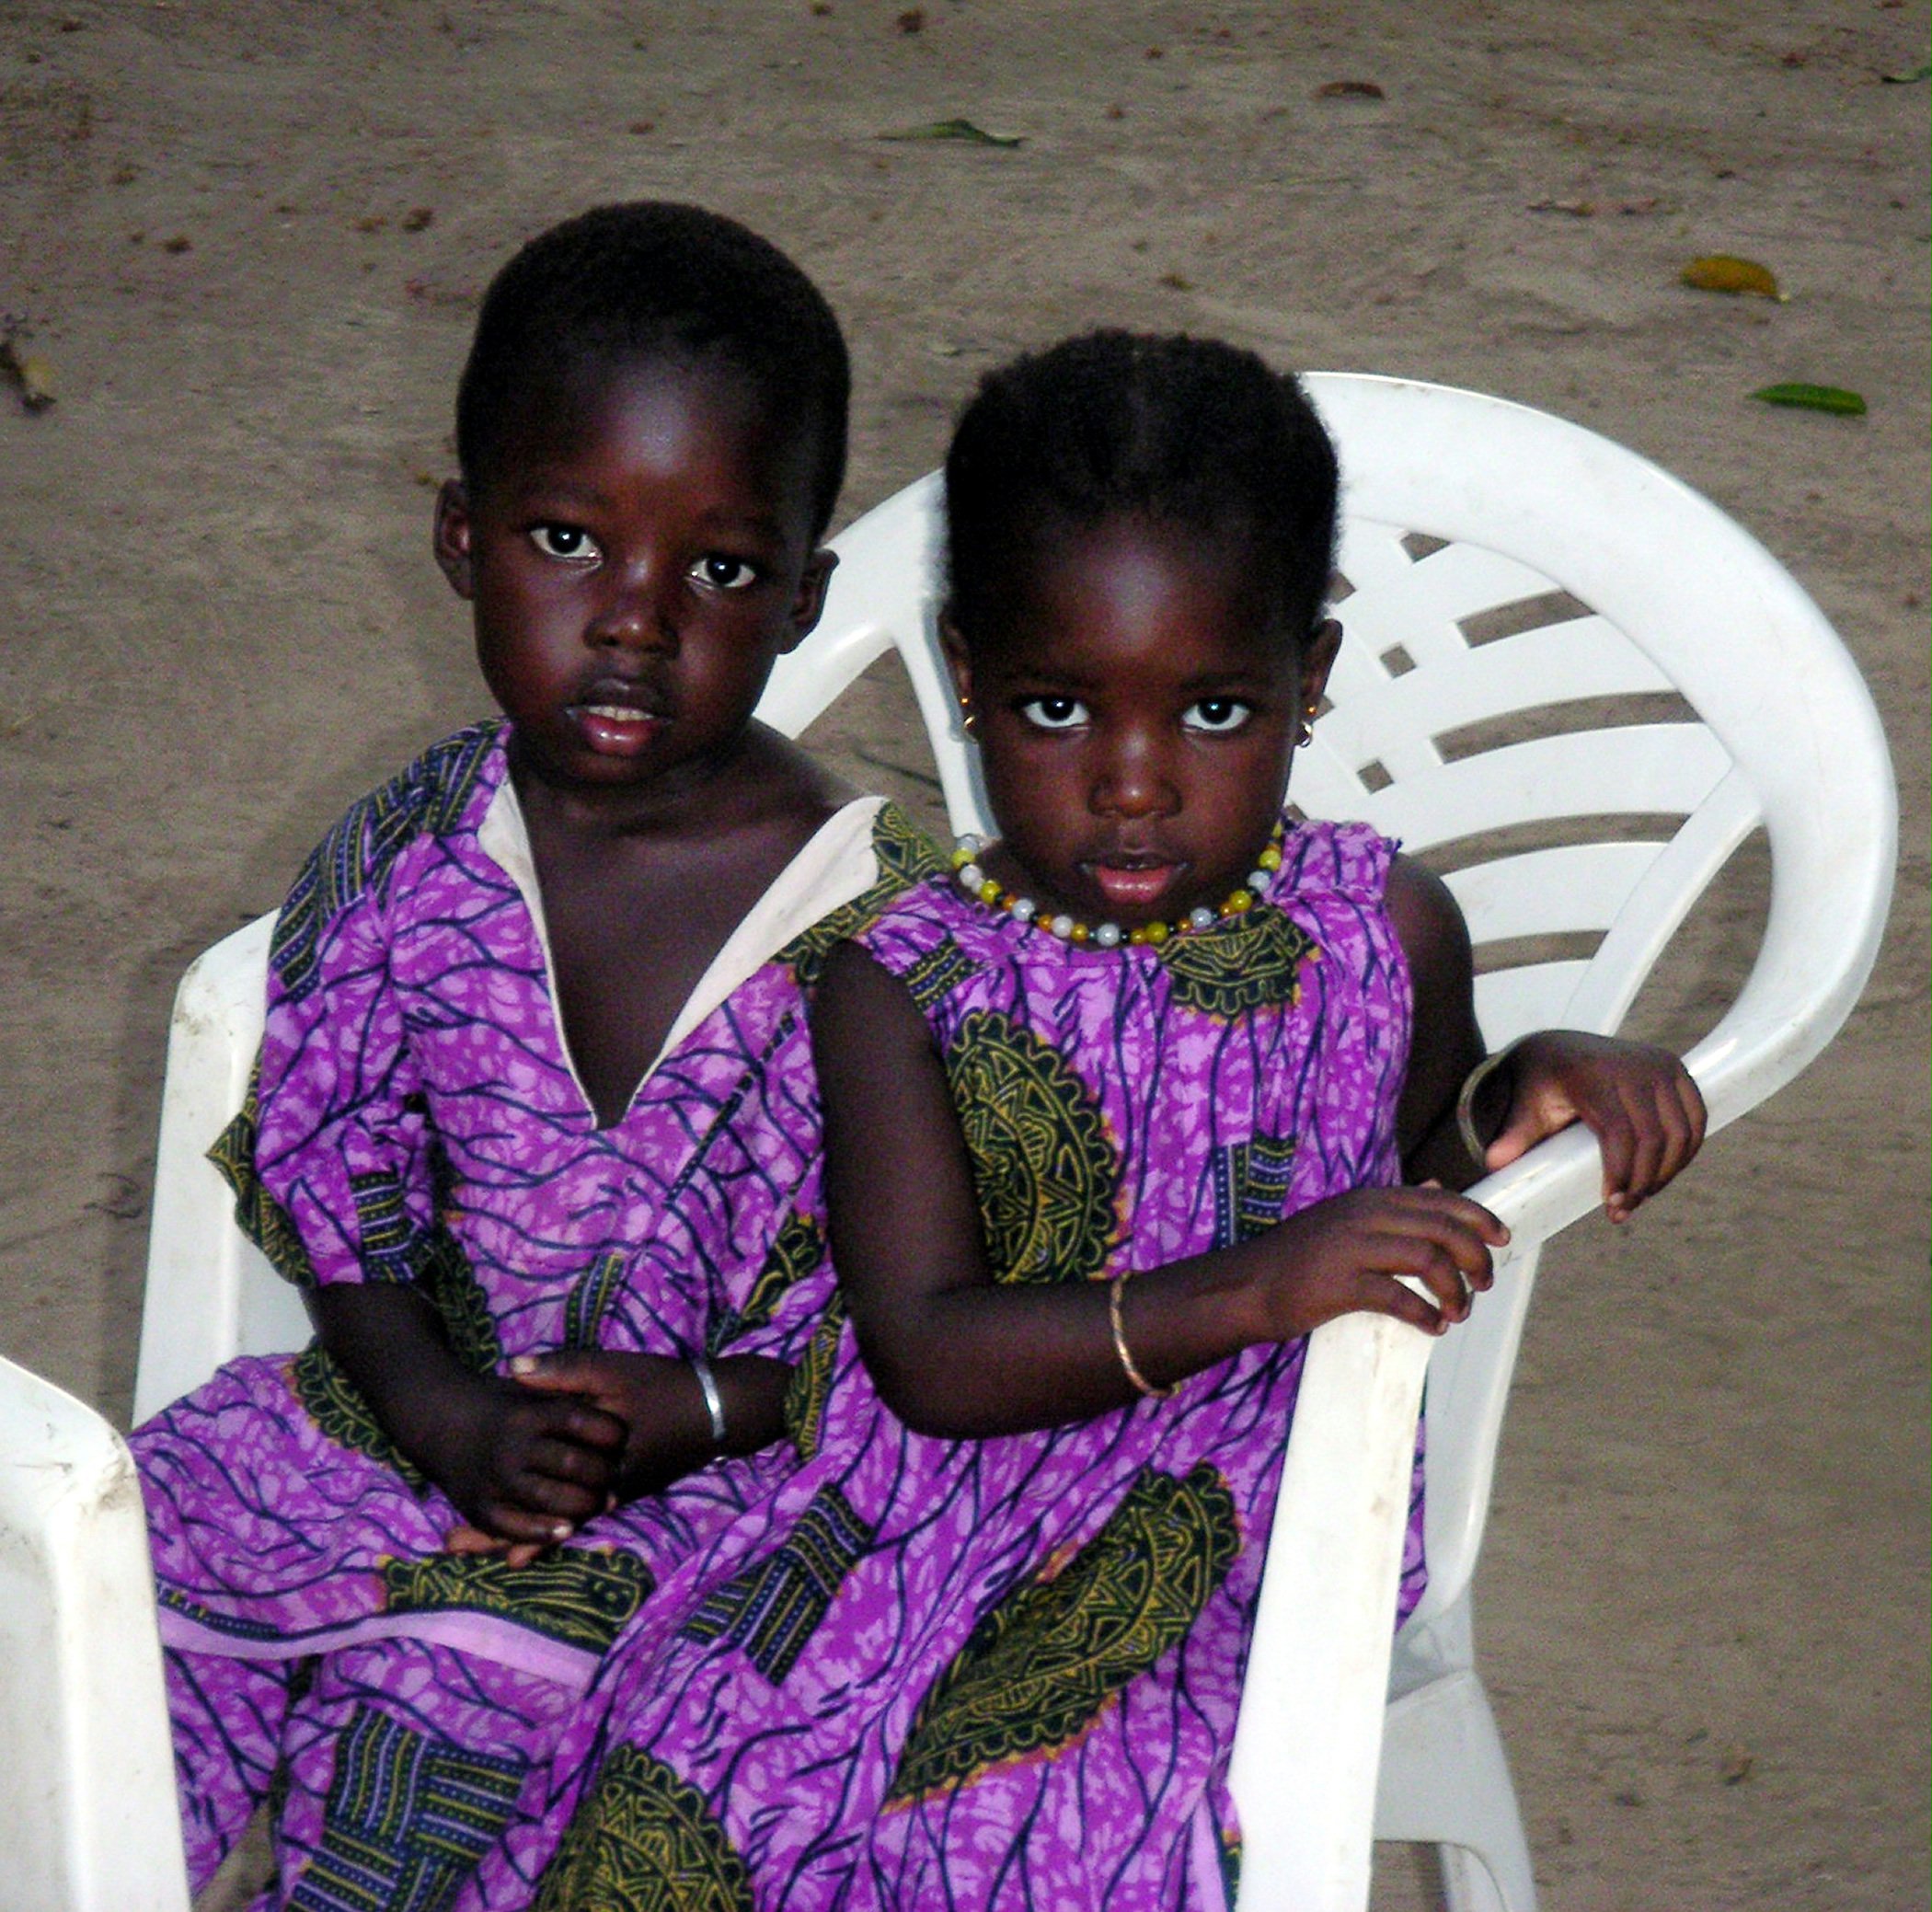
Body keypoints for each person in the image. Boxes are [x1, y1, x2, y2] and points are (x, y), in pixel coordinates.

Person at [453, 332, 1703, 1910]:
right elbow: (927, 1352)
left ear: (1308, 683)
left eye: (1214, 714)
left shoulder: (1384, 924)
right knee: (701, 1766)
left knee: (1030, 1834)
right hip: (920, 1506)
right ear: (967, 675)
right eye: (1056, 709)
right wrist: (1258, 1283)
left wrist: (1532, 1079)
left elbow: (1422, 1184)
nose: (1131, 783)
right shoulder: (898, 984)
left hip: (1257, 1519)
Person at [131, 201, 944, 1907]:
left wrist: (708, 1401)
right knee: (110, 1601)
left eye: (717, 569)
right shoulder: (409, 853)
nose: (636, 618)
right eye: (571, 540)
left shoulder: (898, 941)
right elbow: (339, 1190)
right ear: (461, 538)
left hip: (747, 1504)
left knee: (449, 1705)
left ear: (804, 595)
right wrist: (440, 1414)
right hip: (417, 1425)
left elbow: (948, 1331)